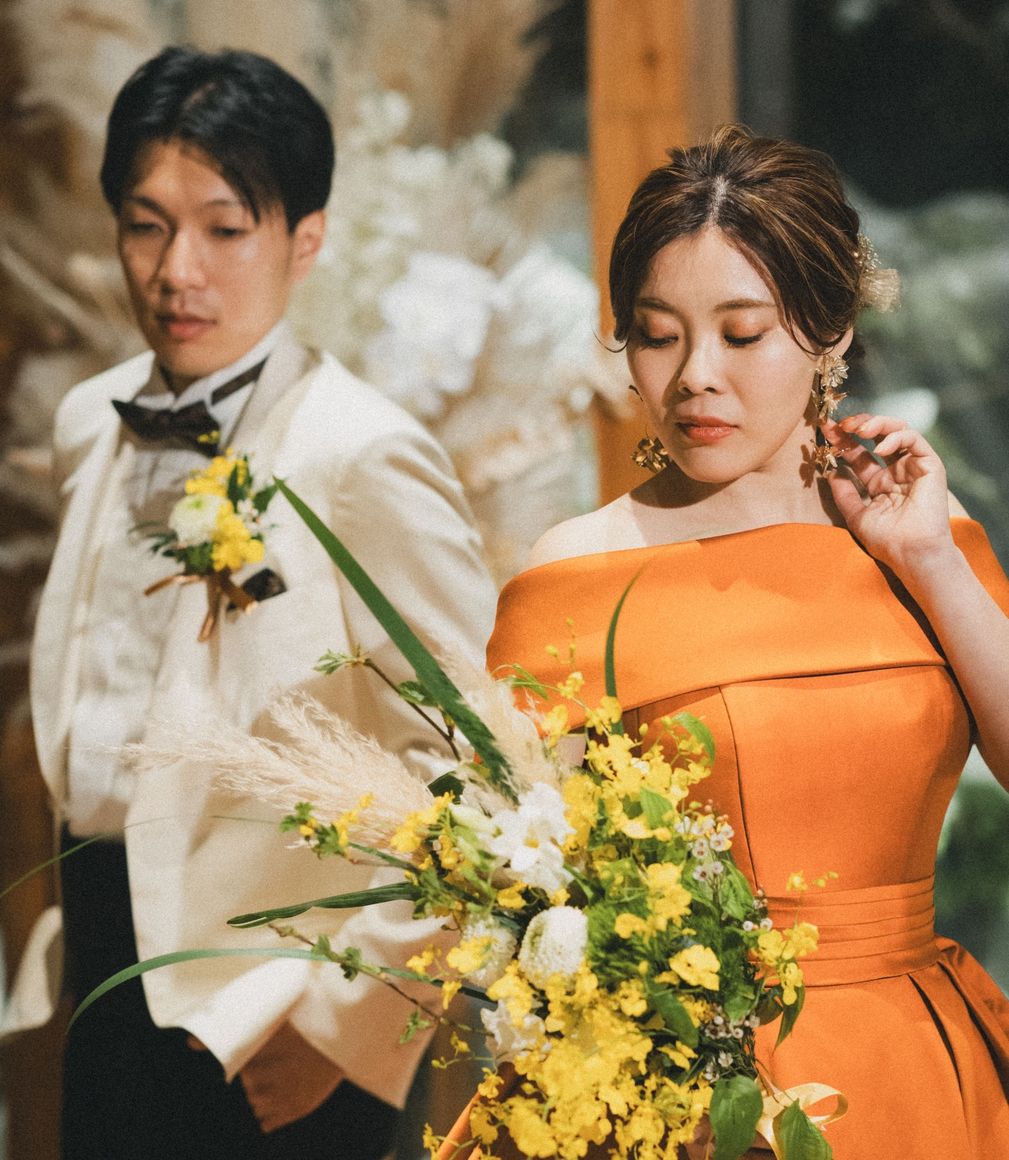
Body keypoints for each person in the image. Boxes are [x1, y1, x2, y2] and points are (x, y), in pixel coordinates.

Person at [442, 125, 1009, 1158]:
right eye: (657, 335)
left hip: (915, 1067)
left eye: (741, 334)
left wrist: (928, 558)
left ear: (830, 331)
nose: (695, 375)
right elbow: (512, 888)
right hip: (698, 1091)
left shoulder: (919, 533)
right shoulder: (579, 571)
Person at [0, 46, 497, 1160]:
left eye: (225, 229)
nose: (178, 270)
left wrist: (347, 1022)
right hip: (101, 958)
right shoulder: (90, 422)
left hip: (275, 1013)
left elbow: (479, 765)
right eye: (146, 226)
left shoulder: (360, 452)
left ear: (304, 239)